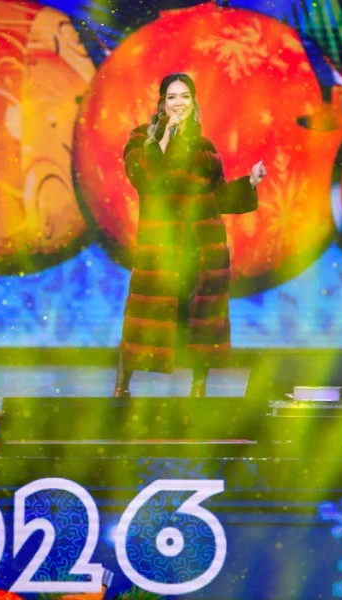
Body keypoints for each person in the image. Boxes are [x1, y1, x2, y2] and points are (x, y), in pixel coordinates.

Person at [112, 72, 267, 399]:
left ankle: (198, 390)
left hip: (200, 248)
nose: (178, 103)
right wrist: (162, 140)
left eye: (184, 96)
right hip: (161, 248)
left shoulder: (205, 149)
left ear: (193, 103)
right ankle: (122, 387)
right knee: (144, 321)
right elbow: (143, 177)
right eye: (172, 97)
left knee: (200, 323)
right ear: (162, 103)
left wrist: (250, 183)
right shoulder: (141, 139)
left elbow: (219, 197)